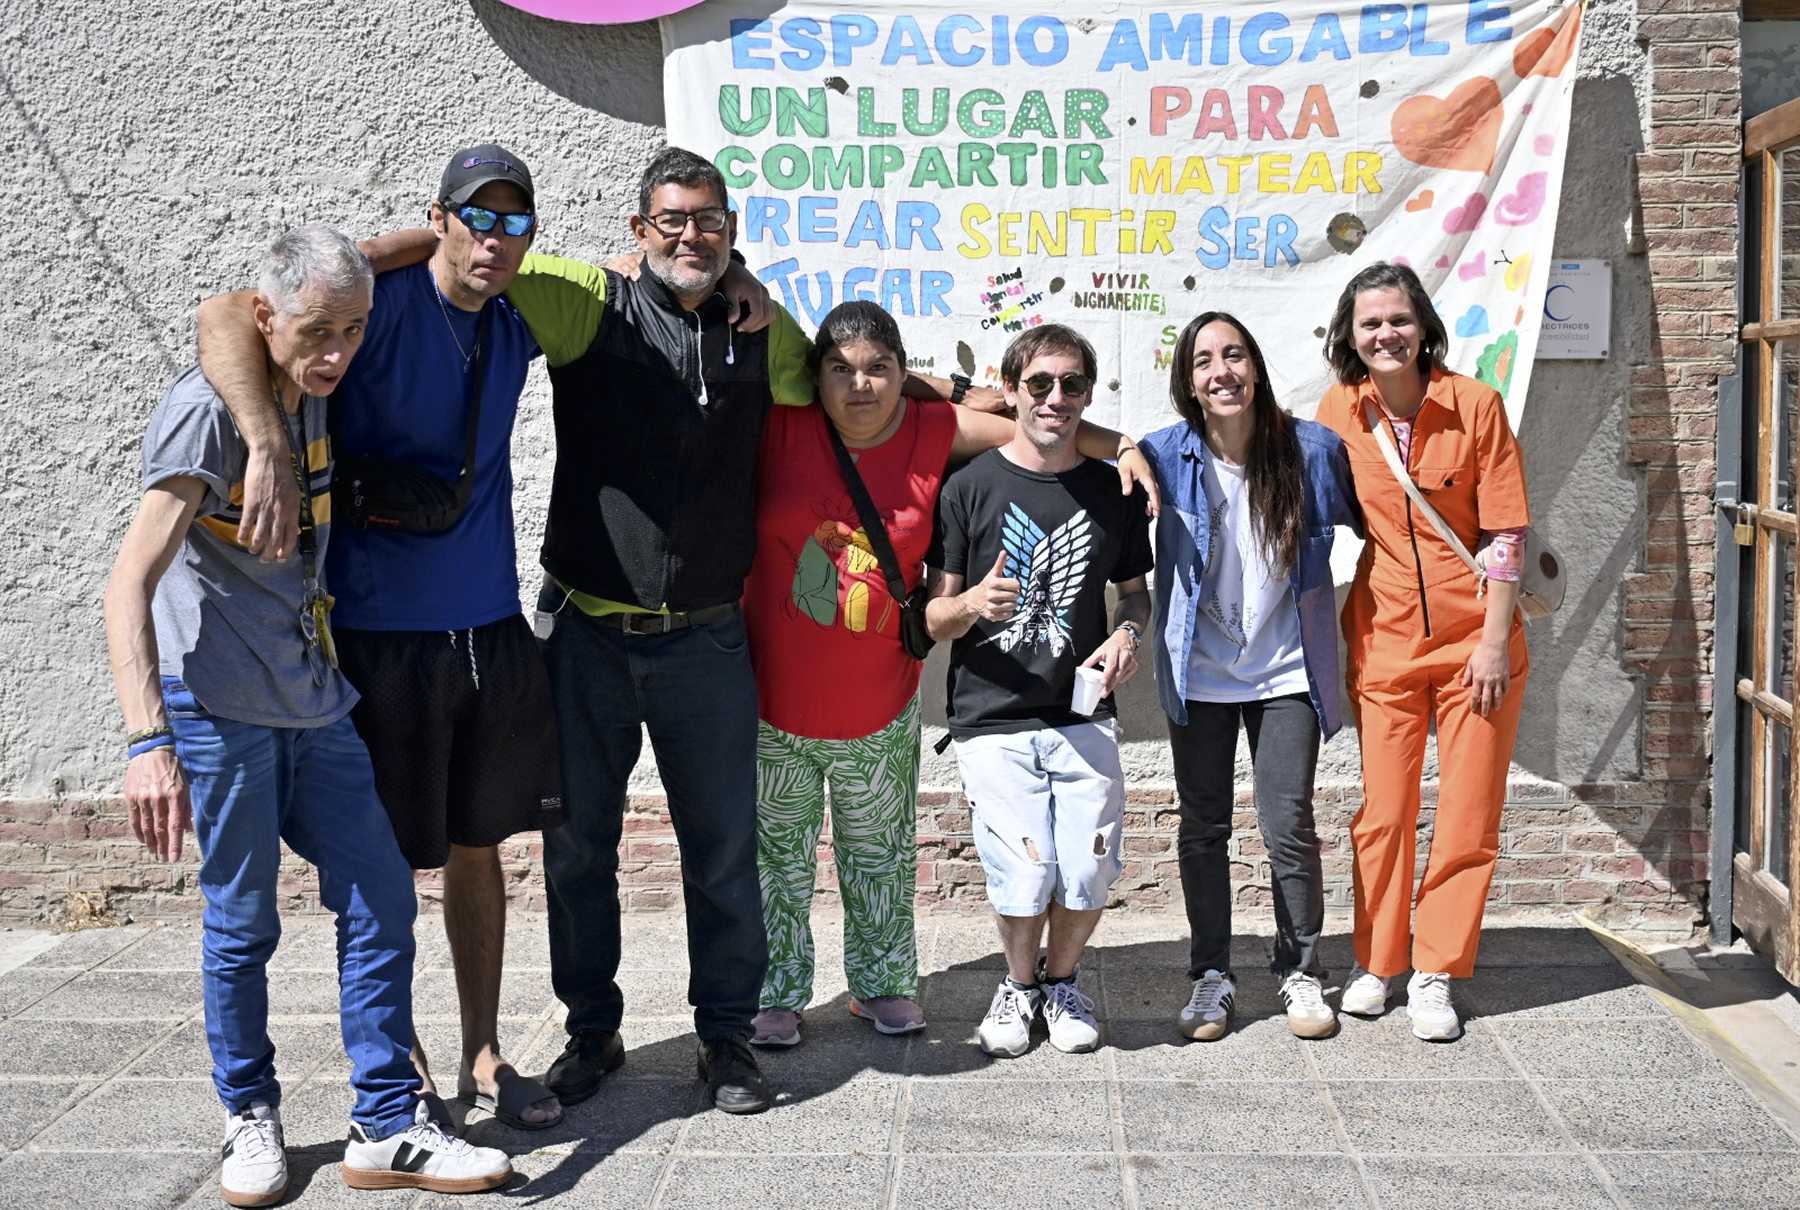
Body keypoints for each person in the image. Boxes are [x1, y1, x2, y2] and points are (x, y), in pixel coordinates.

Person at [103, 225, 511, 1203]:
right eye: (316, 332)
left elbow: (364, 266)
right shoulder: (206, 415)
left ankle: (385, 1122)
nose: (336, 352)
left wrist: (442, 226)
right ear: (266, 321)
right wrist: (146, 738)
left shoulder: (312, 392)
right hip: (222, 711)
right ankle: (249, 1115)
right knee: (243, 927)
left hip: (313, 699)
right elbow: (128, 581)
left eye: (354, 331)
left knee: (378, 898)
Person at [193, 145, 571, 1131]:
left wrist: (733, 280)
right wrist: (270, 445)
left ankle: (484, 1052)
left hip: (485, 623)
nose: (494, 239)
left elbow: (646, 279)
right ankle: (402, 1083)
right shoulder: (378, 300)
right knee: (381, 872)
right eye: (474, 218)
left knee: (478, 845)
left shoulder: (521, 314)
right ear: (438, 216)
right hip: (371, 631)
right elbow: (231, 313)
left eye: (515, 223)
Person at [744, 302, 1157, 1048]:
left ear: (904, 377)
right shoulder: (776, 423)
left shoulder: (934, 431)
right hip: (776, 697)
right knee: (778, 860)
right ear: (816, 378)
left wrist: (1126, 445)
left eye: (878, 368)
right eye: (840, 369)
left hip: (879, 694)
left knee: (880, 853)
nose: (860, 385)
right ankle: (778, 993)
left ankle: (883, 986)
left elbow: (1041, 425)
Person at [1315, 262, 1531, 1042]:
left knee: (1468, 813)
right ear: (1350, 334)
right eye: (1370, 323)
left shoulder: (1474, 405)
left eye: (1398, 320)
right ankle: (1378, 963)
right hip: (1383, 637)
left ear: (1424, 326)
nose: (1386, 335)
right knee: (1386, 812)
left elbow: (1505, 533)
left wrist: (1493, 641)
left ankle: (1436, 971)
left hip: (1478, 641)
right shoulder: (1339, 411)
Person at [924, 324, 1154, 1058]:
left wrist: (1130, 637)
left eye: (1073, 385)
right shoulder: (968, 486)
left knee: (1087, 865)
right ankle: (1020, 985)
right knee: (1024, 869)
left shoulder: (1110, 488)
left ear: (1090, 394)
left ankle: (1062, 981)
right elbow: (933, 615)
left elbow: (1136, 597)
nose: (1056, 399)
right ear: (1013, 388)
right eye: (1040, 384)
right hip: (991, 715)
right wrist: (970, 608)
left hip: (1083, 711)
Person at [1138, 312, 1364, 1043]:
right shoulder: (1164, 457)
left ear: (1256, 367)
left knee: (1288, 824)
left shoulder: (1311, 451)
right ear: (1189, 383)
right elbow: (1090, 455)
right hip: (1199, 671)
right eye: (1204, 361)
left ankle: (1300, 970)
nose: (1221, 371)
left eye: (1234, 355)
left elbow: (1384, 523)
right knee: (1203, 826)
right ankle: (1212, 974)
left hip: (1287, 669)